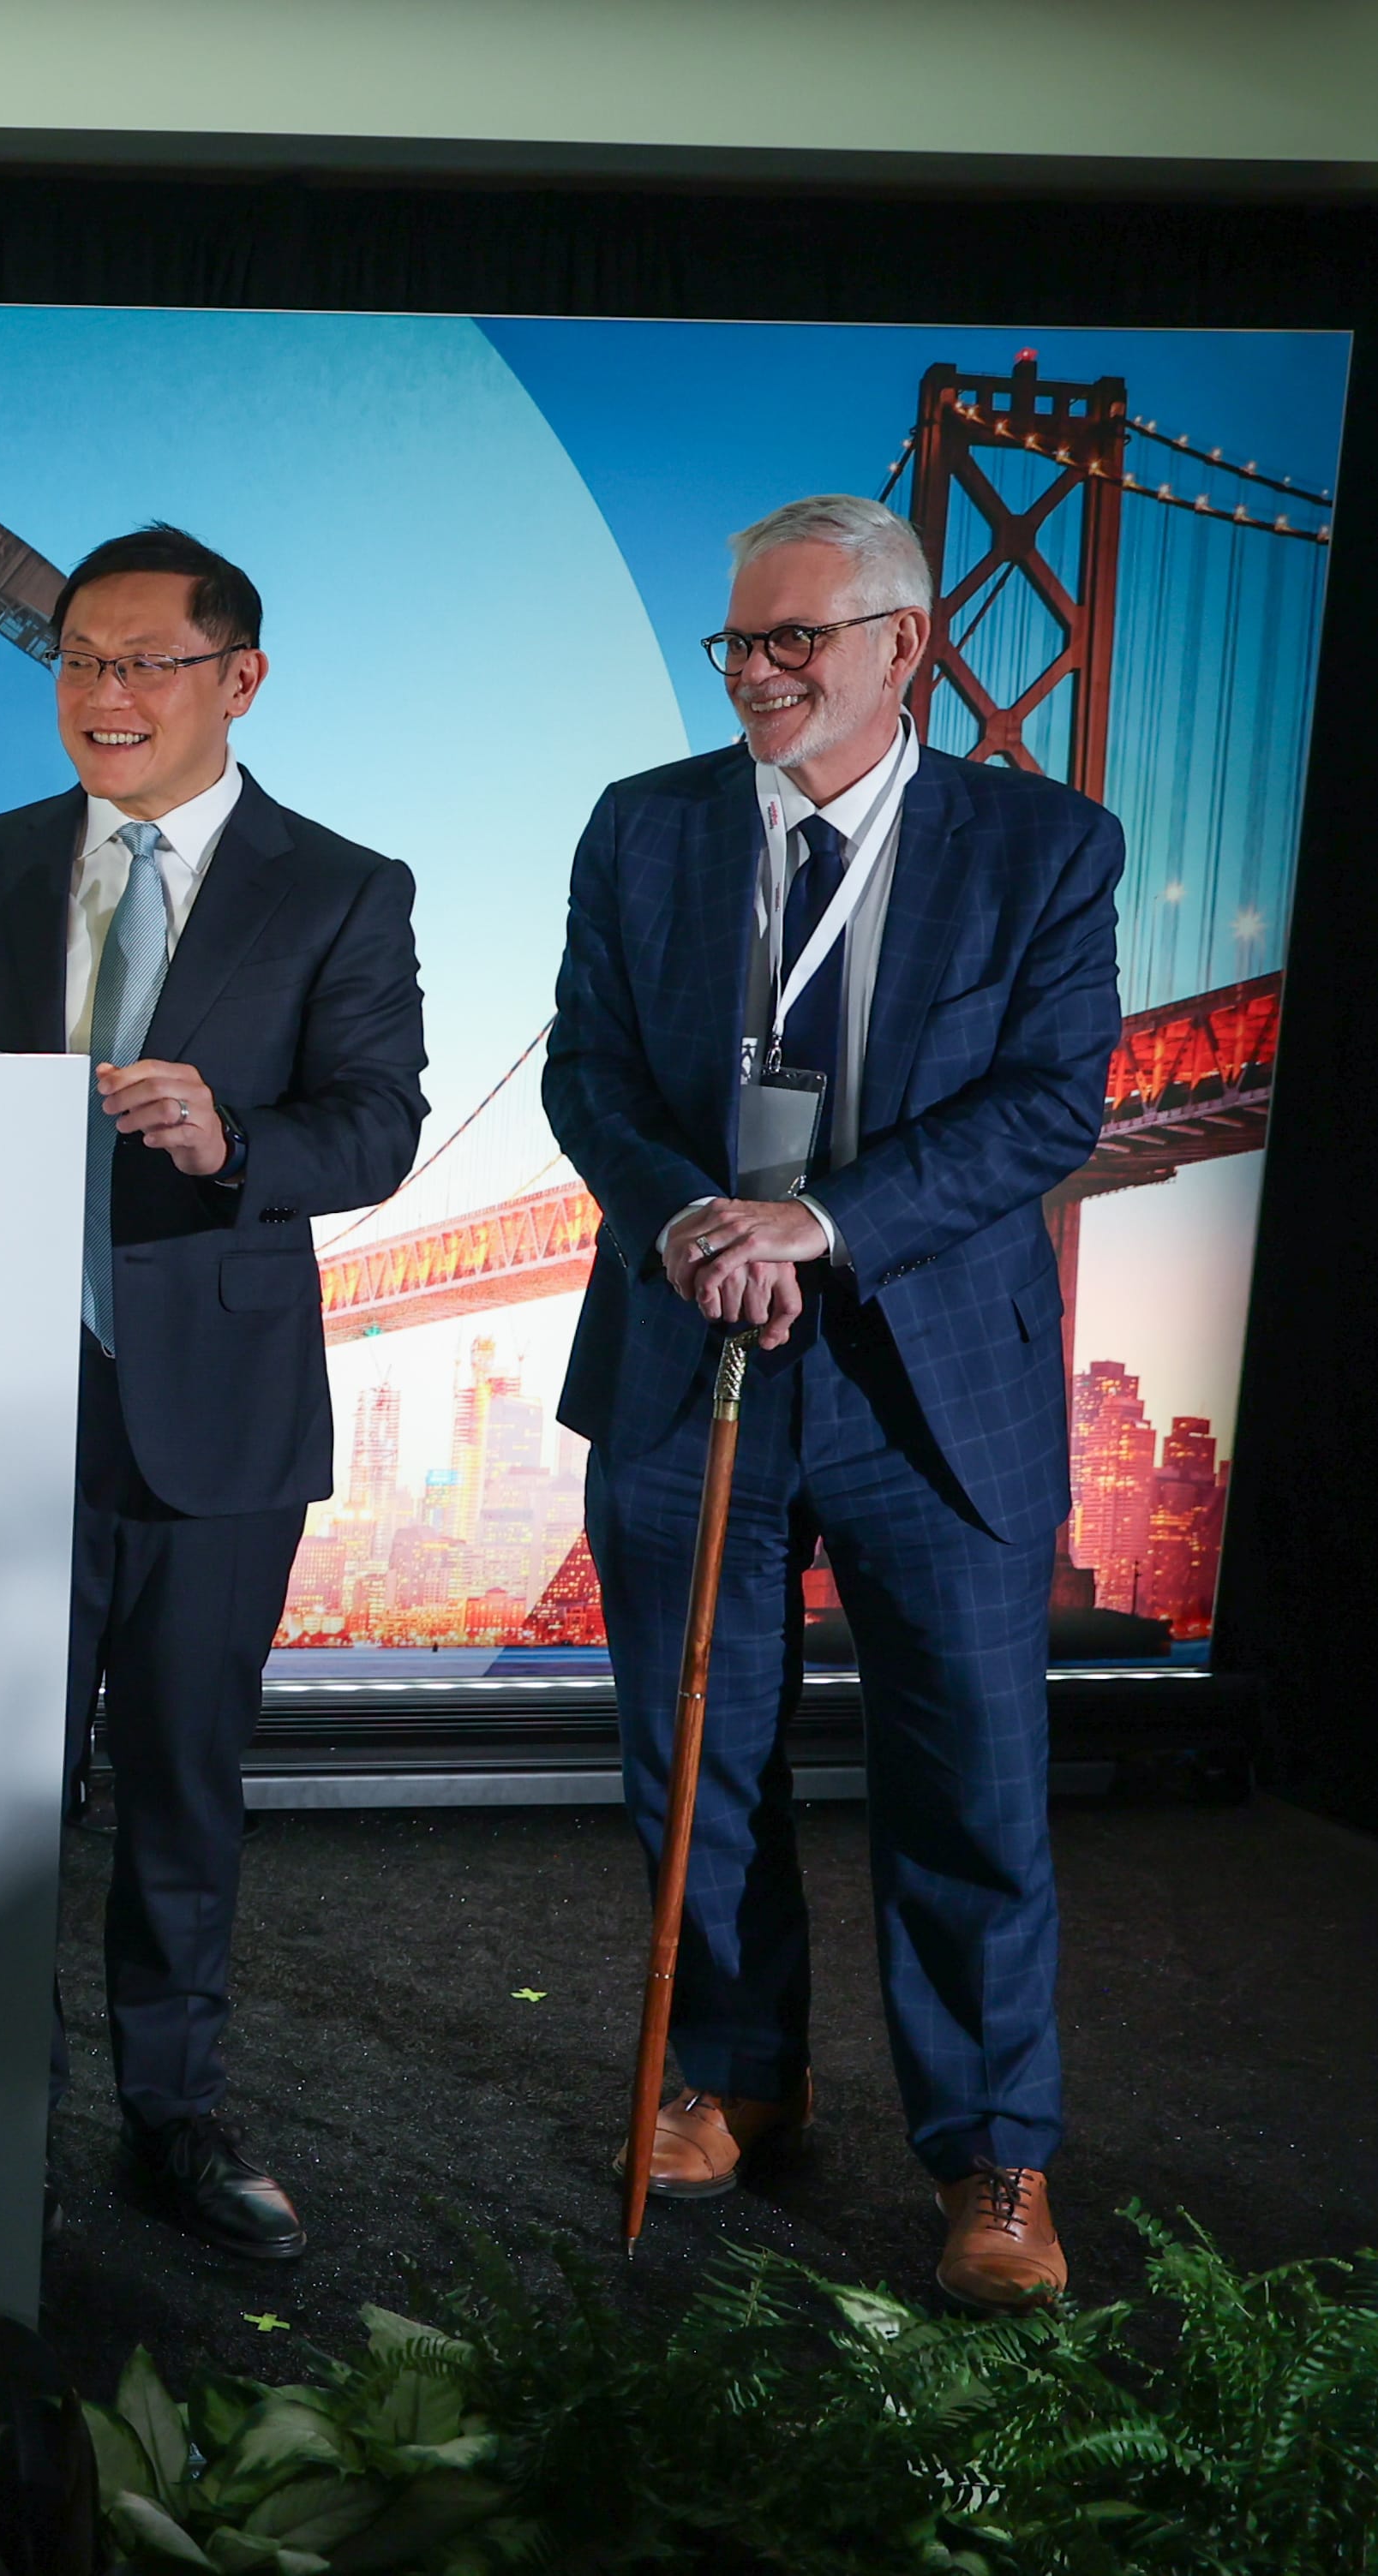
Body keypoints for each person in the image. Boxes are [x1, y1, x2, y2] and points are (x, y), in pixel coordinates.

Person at [542, 493, 1117, 2312]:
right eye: (739, 640)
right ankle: (727, 2077)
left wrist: (820, 1221)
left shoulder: (1043, 845)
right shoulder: (642, 828)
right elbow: (584, 1073)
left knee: (968, 1783)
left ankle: (992, 2157)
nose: (757, 672)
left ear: (904, 645)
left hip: (929, 1384)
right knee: (693, 1756)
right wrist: (684, 1218)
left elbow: (1050, 1103)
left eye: (796, 639)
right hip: (685, 1350)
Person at [0, 526, 427, 2260]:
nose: (104, 693)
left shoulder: (341, 886)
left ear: (238, 678)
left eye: (144, 661)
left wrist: (234, 1142)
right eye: (77, 660)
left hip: (217, 1414)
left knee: (181, 1789)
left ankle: (174, 2115)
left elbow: (376, 1125)